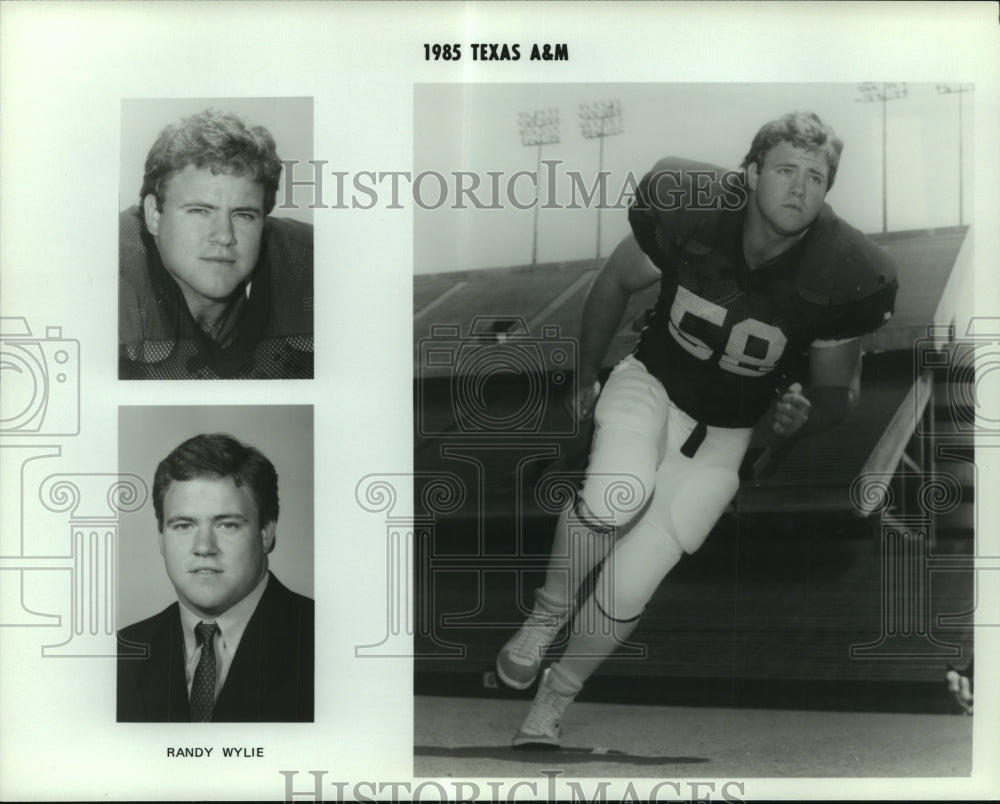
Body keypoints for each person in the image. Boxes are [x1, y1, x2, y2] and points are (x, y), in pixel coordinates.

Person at [496, 111, 899, 747]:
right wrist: (581, 376)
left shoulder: (844, 270)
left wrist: (804, 417)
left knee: (635, 580)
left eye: (816, 177)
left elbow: (838, 391)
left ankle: (554, 698)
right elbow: (611, 285)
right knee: (614, 492)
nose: (800, 187)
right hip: (651, 381)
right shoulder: (695, 210)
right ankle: (545, 617)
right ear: (752, 171)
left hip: (728, 433)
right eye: (787, 170)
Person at [117, 433, 314, 722]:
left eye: (227, 524)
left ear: (266, 534)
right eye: (184, 525)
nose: (204, 548)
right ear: (161, 539)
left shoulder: (325, 643)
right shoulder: (121, 655)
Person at [119, 109, 313, 380]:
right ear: (154, 214)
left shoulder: (312, 263)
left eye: (243, 215)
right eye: (200, 210)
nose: (224, 235)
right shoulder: (100, 276)